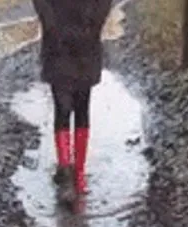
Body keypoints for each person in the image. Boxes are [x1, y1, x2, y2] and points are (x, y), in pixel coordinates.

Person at [32, 0, 113, 206]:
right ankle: (66, 172)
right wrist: (51, 27)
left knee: (82, 107)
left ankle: (79, 173)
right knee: (63, 107)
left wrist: (94, 26)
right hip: (57, 44)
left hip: (86, 43)